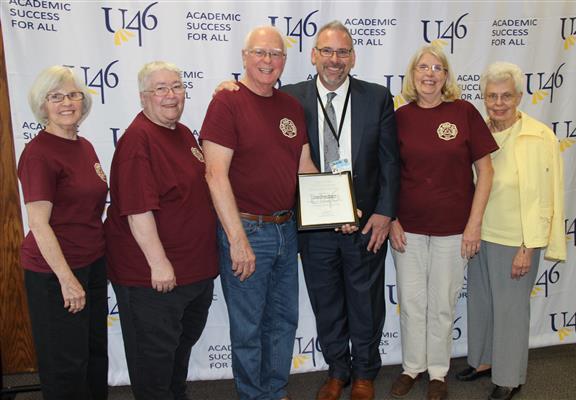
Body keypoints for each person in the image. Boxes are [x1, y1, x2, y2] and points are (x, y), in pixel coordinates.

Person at [214, 20, 399, 400]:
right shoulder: (291, 98)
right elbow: (254, 106)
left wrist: (383, 211)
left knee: (365, 302)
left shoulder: (377, 97)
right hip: (309, 226)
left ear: (353, 57)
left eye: (343, 52)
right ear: (313, 56)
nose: (335, 59)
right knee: (325, 301)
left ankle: (364, 372)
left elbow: (391, 162)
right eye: (327, 51)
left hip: (362, 222)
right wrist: (225, 85)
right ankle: (337, 370)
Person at [200, 26, 317, 400]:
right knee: (249, 327)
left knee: (283, 321)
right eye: (260, 53)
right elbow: (215, 175)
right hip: (247, 230)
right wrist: (237, 240)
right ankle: (253, 395)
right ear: (245, 57)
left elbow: (305, 168)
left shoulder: (290, 107)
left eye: (276, 54)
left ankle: (276, 391)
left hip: (287, 229)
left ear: (285, 60)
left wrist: (338, 205)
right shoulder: (227, 103)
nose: (268, 61)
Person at [104, 61, 218, 400]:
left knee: (176, 354)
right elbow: (138, 210)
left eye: (177, 87)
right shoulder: (137, 142)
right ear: (143, 97)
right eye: (161, 89)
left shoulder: (182, 133)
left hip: (193, 272)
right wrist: (159, 263)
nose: (171, 95)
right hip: (153, 279)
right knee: (153, 363)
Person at [388, 45, 497, 400]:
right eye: (423, 67)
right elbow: (388, 174)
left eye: (437, 68)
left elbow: (486, 170)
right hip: (409, 229)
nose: (430, 74)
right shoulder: (399, 116)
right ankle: (411, 367)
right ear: (413, 73)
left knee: (442, 304)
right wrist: (392, 220)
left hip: (454, 230)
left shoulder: (464, 112)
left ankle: (437, 372)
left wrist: (474, 224)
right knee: (412, 301)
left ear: (446, 76)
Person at [455, 62, 566, 400]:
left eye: (506, 96)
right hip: (479, 234)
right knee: (482, 303)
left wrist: (528, 246)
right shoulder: (479, 130)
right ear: (484, 97)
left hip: (515, 240)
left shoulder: (538, 135)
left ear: (519, 96)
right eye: (491, 96)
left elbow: (546, 195)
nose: (498, 102)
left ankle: (509, 376)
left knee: (511, 310)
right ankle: (484, 362)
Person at [18, 66, 108, 400]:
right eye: (55, 97)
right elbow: (39, 224)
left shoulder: (84, 146)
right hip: (55, 272)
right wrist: (67, 280)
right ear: (42, 106)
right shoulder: (39, 154)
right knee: (65, 365)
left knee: (94, 356)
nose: (66, 103)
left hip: (92, 262)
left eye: (72, 95)